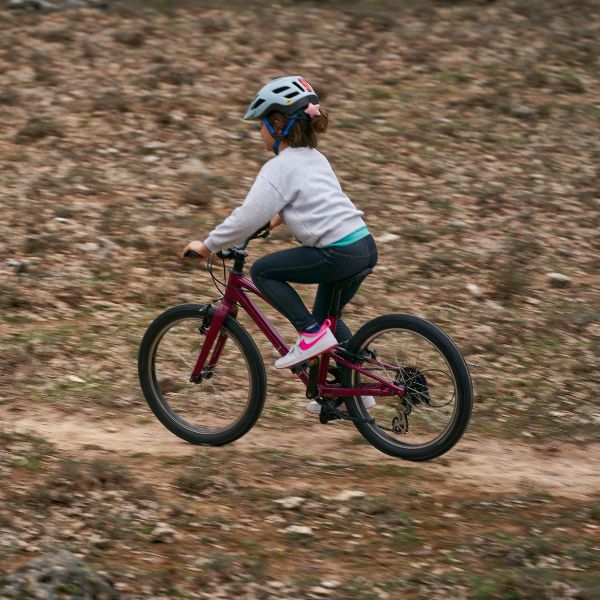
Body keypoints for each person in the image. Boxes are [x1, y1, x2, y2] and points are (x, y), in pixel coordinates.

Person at [181, 75, 378, 414]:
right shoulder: (314, 157)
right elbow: (314, 200)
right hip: (362, 246)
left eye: (261, 125)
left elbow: (245, 216)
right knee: (326, 318)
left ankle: (311, 337)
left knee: (264, 271)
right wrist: (276, 219)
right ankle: (350, 393)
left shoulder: (278, 167)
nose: (259, 132)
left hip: (335, 252)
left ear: (277, 124)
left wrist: (208, 245)